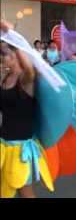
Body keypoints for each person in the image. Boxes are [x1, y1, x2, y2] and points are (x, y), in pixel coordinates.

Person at [0, 20, 54, 198]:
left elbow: (30, 70)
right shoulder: (4, 78)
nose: (1, 57)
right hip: (4, 144)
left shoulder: (26, 79)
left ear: (15, 54)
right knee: (5, 189)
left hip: (21, 148)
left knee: (24, 191)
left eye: (4, 53)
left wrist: (13, 41)